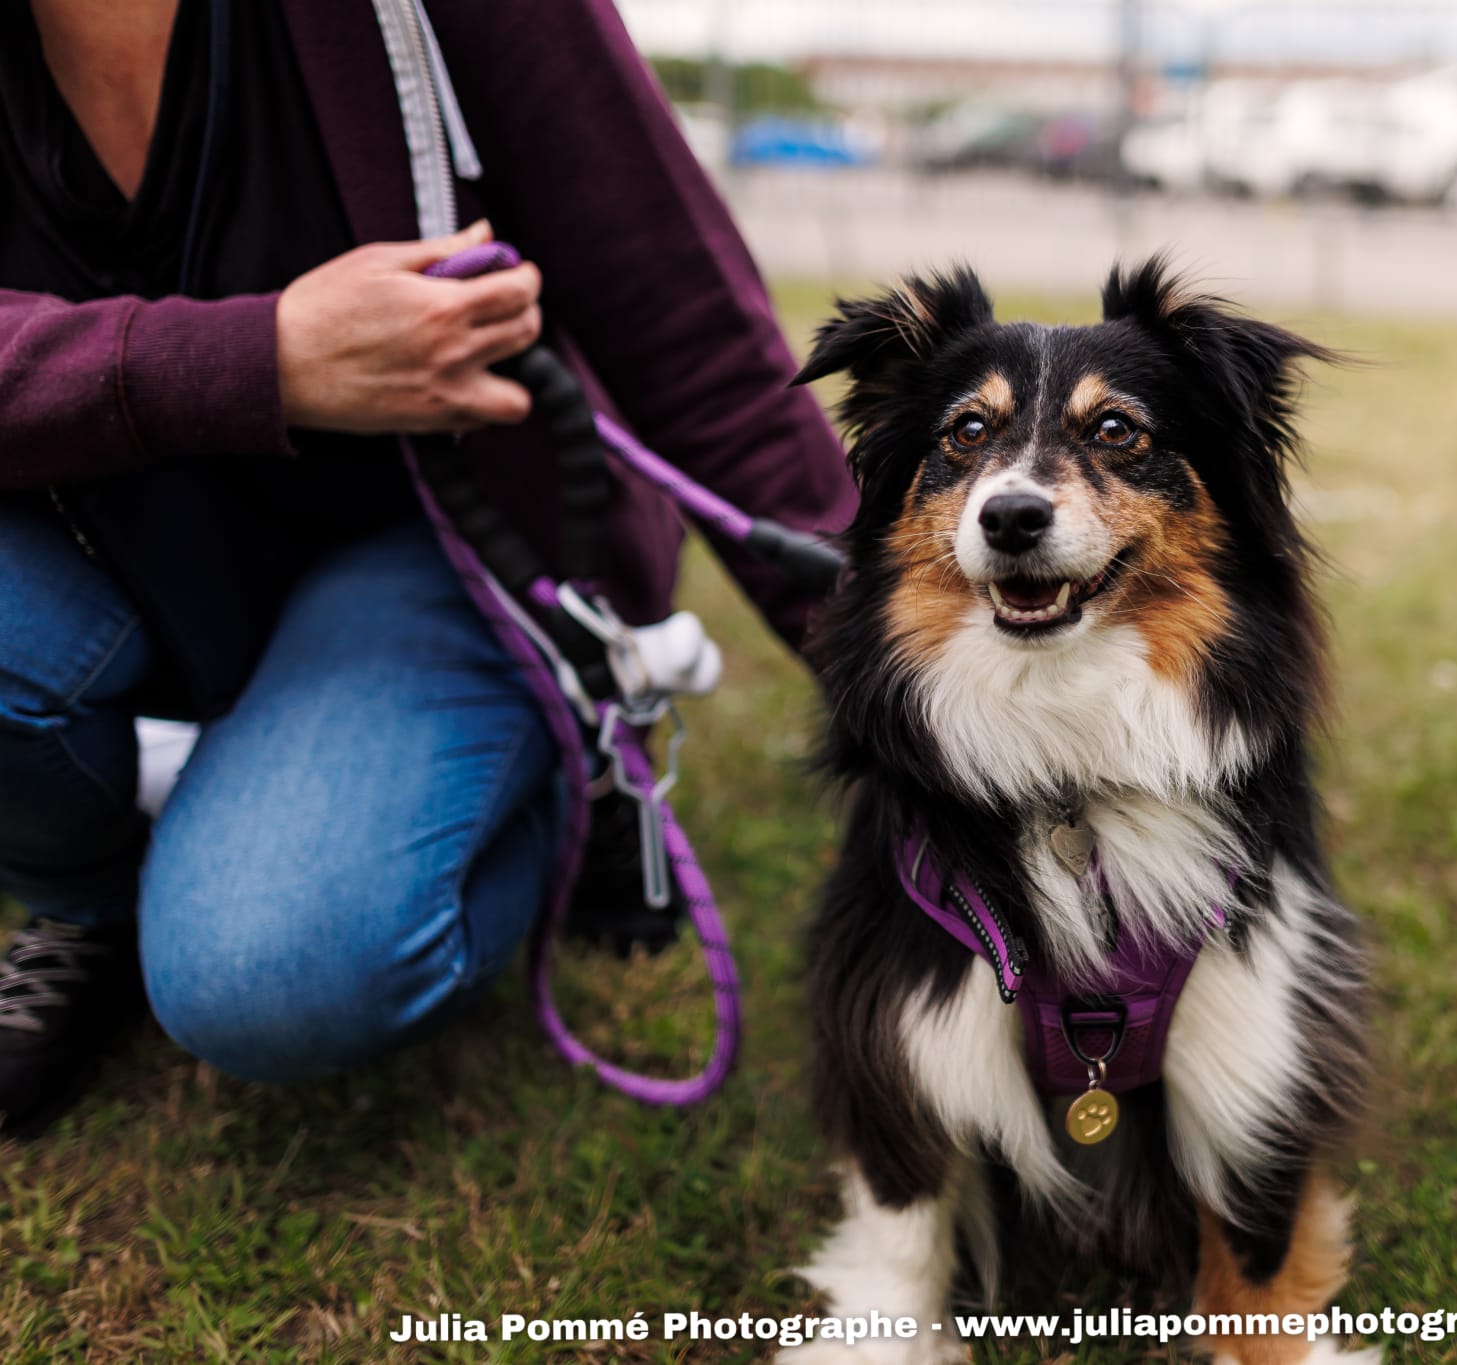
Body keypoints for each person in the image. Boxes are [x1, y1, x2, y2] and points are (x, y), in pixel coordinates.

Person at [0, 0, 856, 1138]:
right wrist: (259, 360)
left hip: (439, 537)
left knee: (270, 975)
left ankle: (577, 749)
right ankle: (87, 900)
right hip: (105, 544)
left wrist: (900, 682)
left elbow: (684, 319)